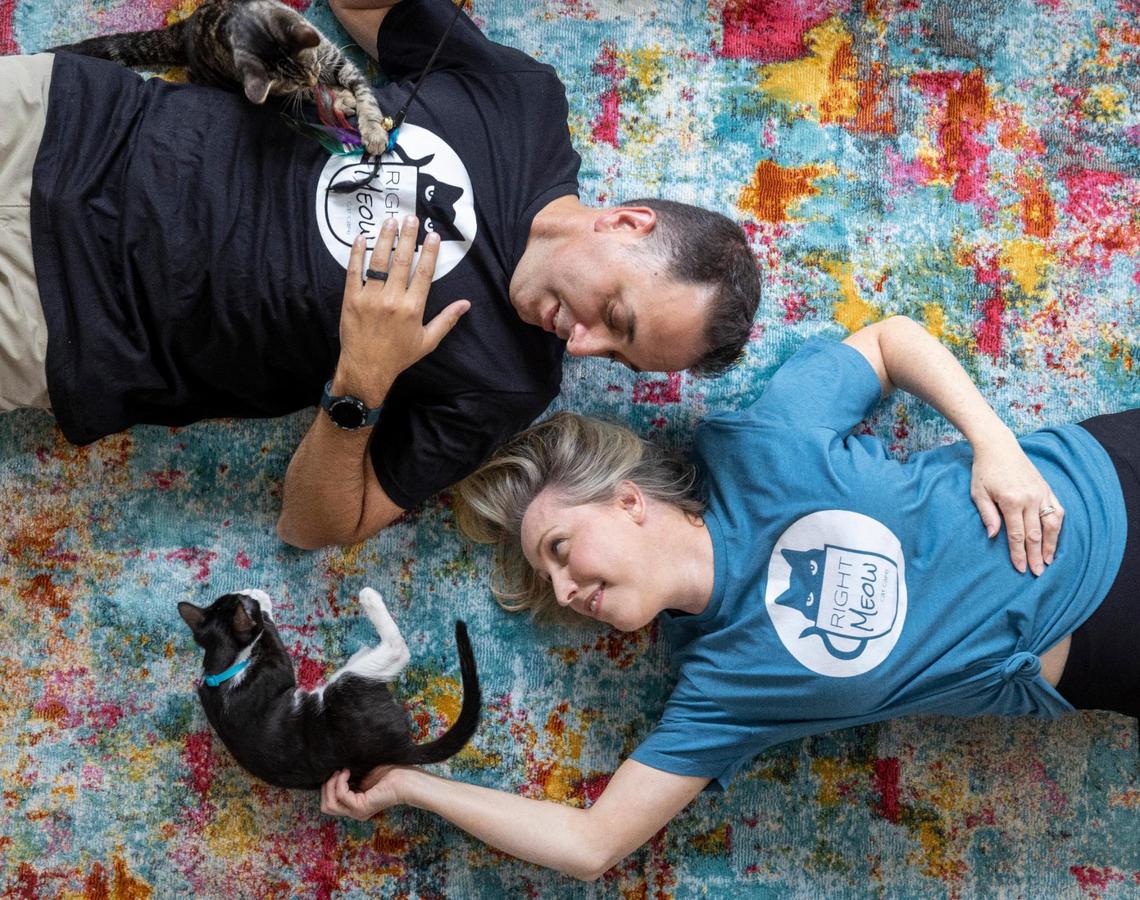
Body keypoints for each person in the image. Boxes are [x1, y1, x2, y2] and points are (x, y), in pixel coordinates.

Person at [318, 314, 1138, 881]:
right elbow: (592, 842)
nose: (566, 590)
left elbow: (889, 343)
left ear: (627, 499)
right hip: (1106, 648)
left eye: (559, 550)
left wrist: (993, 444)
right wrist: (410, 785)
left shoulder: (761, 444)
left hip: (1106, 480)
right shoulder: (719, 690)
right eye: (552, 584)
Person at [0, 0, 761, 549]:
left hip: (62, 320)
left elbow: (314, 526)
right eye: (617, 319)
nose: (587, 346)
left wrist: (361, 380)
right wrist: (278, 37)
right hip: (72, 123)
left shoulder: (509, 381)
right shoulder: (522, 102)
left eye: (619, 356)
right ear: (628, 224)